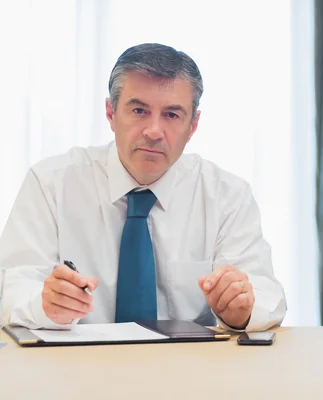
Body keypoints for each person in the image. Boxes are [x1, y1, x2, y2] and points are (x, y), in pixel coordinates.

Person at [0, 43, 286, 332]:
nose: (153, 131)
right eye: (139, 110)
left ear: (193, 125)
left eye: (172, 115)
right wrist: (45, 304)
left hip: (190, 366)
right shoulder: (51, 184)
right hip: (74, 363)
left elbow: (266, 296)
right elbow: (11, 287)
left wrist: (241, 310)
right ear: (110, 113)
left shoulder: (227, 196)